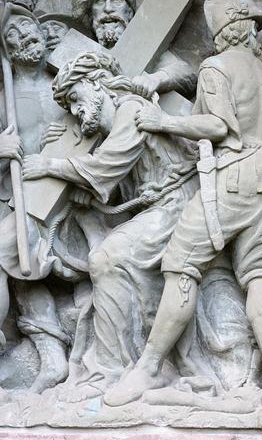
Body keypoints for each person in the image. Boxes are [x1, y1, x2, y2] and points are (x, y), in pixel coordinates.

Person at [103, 0, 262, 407]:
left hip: (234, 173)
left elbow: (218, 127)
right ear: (251, 31)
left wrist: (161, 122)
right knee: (260, 276)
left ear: (224, 32)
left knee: (181, 266)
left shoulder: (216, 67)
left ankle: (148, 368)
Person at [0, 2, 103, 405]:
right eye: (12, 38)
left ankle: (9, 370)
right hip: (26, 206)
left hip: (76, 204)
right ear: (7, 52)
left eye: (28, 30)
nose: (23, 39)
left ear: (43, 36)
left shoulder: (70, 88)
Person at [21, 51, 203, 397]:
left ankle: (109, 371)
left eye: (76, 98)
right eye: (69, 105)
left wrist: (50, 166)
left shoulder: (130, 109)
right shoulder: (114, 125)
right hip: (161, 207)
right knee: (108, 254)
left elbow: (106, 167)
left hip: (180, 206)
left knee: (108, 257)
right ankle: (128, 364)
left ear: (97, 84)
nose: (76, 111)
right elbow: (117, 182)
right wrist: (93, 197)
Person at [73, 0, 196, 97]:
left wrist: (155, 79)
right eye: (100, 1)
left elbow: (188, 74)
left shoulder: (141, 49)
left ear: (130, 13)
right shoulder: (82, 54)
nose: (108, 8)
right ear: (91, 15)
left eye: (116, 0)